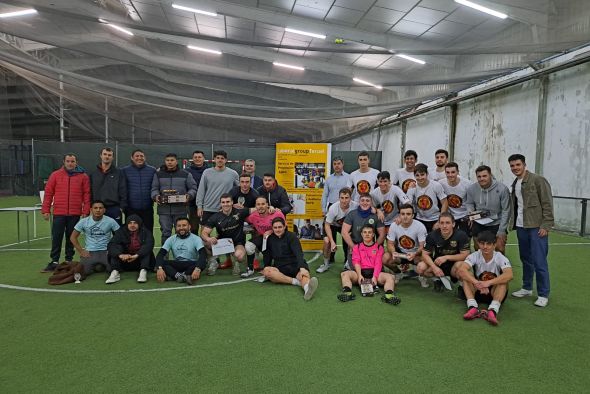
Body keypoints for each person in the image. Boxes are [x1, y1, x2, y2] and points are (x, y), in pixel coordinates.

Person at [508, 154, 554, 307]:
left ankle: (543, 294)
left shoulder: (538, 180)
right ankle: (527, 287)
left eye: (518, 165)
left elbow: (547, 203)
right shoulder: (515, 183)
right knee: (525, 259)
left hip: (536, 227)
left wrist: (546, 225)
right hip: (521, 226)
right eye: (512, 166)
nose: (515, 168)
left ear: (524, 165)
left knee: (539, 260)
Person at [41, 153, 91, 273]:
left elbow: (87, 195)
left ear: (76, 162)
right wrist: (45, 210)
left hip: (75, 213)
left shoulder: (83, 177)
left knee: (71, 238)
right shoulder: (55, 175)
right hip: (59, 213)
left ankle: (69, 260)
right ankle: (54, 261)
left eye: (72, 161)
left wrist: (85, 211)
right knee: (56, 237)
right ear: (64, 162)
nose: (70, 163)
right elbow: (48, 194)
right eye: (68, 161)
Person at [458, 231, 513, 326]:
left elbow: (509, 275)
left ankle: (493, 310)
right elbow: (461, 270)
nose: (485, 247)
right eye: (482, 243)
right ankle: (472, 307)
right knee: (466, 277)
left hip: (494, 292)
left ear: (494, 245)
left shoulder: (500, 257)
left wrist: (488, 283)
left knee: (503, 281)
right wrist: (476, 283)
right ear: (478, 244)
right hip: (478, 290)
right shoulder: (475, 255)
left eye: (488, 244)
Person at [337, 225, 400, 305]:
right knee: (345, 274)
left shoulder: (379, 248)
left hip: (375, 273)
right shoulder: (356, 247)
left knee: (390, 277)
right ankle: (347, 293)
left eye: (369, 232)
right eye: (365, 232)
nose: (367, 234)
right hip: (361, 273)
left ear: (373, 235)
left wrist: (375, 277)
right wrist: (359, 275)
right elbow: (356, 262)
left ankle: (389, 296)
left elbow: (378, 263)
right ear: (362, 234)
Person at [261, 217, 319, 301]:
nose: (278, 230)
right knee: (267, 271)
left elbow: (298, 253)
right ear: (272, 228)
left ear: (284, 226)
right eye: (275, 228)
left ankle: (307, 289)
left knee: (303, 275)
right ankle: (297, 282)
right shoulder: (270, 238)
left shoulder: (292, 236)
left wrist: (302, 267)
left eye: (280, 227)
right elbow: (267, 255)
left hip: (295, 265)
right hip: (280, 267)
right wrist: (266, 266)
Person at [151, 153, 197, 244]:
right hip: (164, 210)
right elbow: (154, 188)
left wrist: (189, 195)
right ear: (165, 161)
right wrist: (156, 196)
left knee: (182, 232)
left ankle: (181, 254)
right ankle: (165, 255)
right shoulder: (158, 174)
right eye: (168, 160)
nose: (170, 162)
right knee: (165, 233)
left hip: (181, 210)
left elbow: (193, 188)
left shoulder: (185, 174)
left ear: (176, 161)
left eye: (172, 160)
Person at [417, 212, 470, 292]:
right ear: (439, 224)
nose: (444, 226)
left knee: (461, 266)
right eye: (442, 223)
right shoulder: (432, 235)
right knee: (421, 268)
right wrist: (434, 267)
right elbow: (424, 254)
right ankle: (437, 280)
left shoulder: (461, 235)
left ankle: (461, 286)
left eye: (447, 223)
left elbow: (465, 255)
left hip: (454, 264)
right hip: (438, 263)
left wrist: (446, 257)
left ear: (453, 224)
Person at [201, 193, 251, 276]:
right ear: (220, 203)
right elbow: (204, 233)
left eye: (228, 202)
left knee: (239, 256)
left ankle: (236, 263)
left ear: (232, 202)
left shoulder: (240, 212)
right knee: (203, 243)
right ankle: (214, 261)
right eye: (223, 202)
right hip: (222, 243)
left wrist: (271, 208)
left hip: (237, 243)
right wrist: (209, 239)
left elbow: (257, 209)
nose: (225, 204)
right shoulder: (215, 217)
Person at [465, 165, 511, 254]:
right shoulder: (472, 189)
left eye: (484, 176)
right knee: (478, 248)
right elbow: (469, 203)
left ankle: (500, 267)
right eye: (479, 176)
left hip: (497, 221)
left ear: (490, 175)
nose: (481, 179)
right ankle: (480, 268)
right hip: (479, 221)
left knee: (499, 248)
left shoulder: (502, 189)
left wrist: (502, 230)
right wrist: (470, 214)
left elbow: (506, 210)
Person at [70, 200, 120, 275]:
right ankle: (97, 265)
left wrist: (113, 249)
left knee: (114, 269)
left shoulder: (110, 221)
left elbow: (120, 236)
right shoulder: (84, 221)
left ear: (104, 210)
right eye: (95, 208)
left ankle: (99, 265)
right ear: (91, 210)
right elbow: (73, 237)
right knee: (83, 272)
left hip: (106, 251)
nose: (98, 210)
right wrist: (81, 251)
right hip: (90, 252)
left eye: (100, 208)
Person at [317, 187, 358, 273]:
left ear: (350, 198)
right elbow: (327, 225)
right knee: (327, 241)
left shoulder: (355, 206)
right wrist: (332, 242)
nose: (344, 200)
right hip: (331, 225)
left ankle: (348, 263)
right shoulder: (333, 208)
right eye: (342, 198)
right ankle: (325, 264)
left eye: (346, 198)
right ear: (339, 198)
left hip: (346, 226)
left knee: (351, 239)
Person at [385, 204, 428, 286]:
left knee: (424, 262)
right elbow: (390, 243)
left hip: (416, 254)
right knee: (385, 258)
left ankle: (422, 276)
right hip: (401, 253)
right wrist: (394, 252)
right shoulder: (394, 225)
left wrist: (414, 254)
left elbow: (423, 247)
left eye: (408, 214)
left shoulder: (420, 226)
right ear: (399, 215)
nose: (405, 216)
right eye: (403, 214)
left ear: (413, 215)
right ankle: (398, 273)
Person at [155, 217, 206, 285]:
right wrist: (159, 268)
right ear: (176, 227)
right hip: (177, 263)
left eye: (184, 225)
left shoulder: (196, 239)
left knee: (202, 263)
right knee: (163, 263)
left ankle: (175, 276)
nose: (181, 228)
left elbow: (202, 254)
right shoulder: (171, 239)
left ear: (189, 226)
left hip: (191, 264)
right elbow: (160, 254)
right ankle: (183, 276)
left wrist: (198, 269)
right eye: (179, 226)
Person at [106, 214, 155, 284]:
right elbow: (111, 245)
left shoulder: (146, 232)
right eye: (130, 223)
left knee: (146, 251)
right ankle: (115, 272)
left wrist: (137, 255)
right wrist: (120, 255)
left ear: (139, 224)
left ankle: (143, 271)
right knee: (116, 248)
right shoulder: (121, 231)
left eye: (135, 223)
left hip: (139, 260)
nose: (132, 225)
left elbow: (149, 245)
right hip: (124, 261)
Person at [243, 196, 285, 277]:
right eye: (258, 204)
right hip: (263, 238)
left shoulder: (277, 213)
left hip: (278, 239)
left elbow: (284, 227)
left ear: (267, 205)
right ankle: (250, 269)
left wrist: (271, 231)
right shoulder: (253, 216)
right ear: (255, 206)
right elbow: (244, 219)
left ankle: (270, 265)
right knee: (248, 246)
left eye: (263, 204)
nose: (260, 206)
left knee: (275, 266)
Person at [341, 193, 386, 270]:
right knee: (355, 272)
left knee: (374, 271)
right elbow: (344, 232)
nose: (365, 203)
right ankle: (349, 263)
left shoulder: (376, 216)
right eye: (362, 200)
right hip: (355, 246)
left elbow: (382, 234)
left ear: (371, 203)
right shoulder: (352, 214)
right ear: (359, 202)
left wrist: (374, 247)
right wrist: (354, 247)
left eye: (367, 201)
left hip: (370, 247)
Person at [196, 150, 240, 226]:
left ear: (226, 160)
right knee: (204, 234)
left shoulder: (233, 174)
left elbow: (239, 189)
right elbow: (201, 190)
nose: (220, 160)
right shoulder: (207, 172)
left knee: (225, 234)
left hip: (225, 209)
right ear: (214, 159)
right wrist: (199, 206)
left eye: (222, 158)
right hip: (208, 208)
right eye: (218, 158)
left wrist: (237, 203)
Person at [121, 149, 157, 232]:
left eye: (141, 156)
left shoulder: (152, 170)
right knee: (131, 233)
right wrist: (123, 205)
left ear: (145, 158)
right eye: (137, 156)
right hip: (130, 209)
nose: (139, 158)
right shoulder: (124, 171)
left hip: (147, 208)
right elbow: (122, 189)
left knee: (148, 232)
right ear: (132, 158)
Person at [89, 147, 127, 224]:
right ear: (101, 155)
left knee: (116, 233)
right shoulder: (93, 173)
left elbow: (123, 190)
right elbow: (90, 191)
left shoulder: (119, 173)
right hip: (98, 208)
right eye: (105, 154)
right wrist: (91, 206)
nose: (107, 156)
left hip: (114, 208)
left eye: (109, 155)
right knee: (98, 233)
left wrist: (122, 207)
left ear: (112, 157)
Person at [406, 164, 448, 233]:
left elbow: (445, 203)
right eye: (417, 175)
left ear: (427, 174)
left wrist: (440, 221)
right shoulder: (413, 187)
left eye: (422, 174)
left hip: (435, 218)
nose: (420, 178)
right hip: (419, 219)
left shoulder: (435, 185)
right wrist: (409, 190)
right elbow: (408, 205)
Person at [439, 162, 472, 236]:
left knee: (464, 239)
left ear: (458, 172)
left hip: (464, 215)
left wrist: (471, 216)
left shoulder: (467, 184)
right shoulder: (441, 183)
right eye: (448, 172)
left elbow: (472, 202)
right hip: (450, 215)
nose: (450, 175)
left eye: (453, 172)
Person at [186, 150, 208, 234]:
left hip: (207, 204)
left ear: (203, 158)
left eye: (199, 157)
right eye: (195, 157)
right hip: (192, 204)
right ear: (192, 159)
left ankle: (205, 246)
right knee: (194, 228)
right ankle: (194, 246)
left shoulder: (209, 171)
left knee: (206, 229)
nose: (197, 159)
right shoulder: (187, 171)